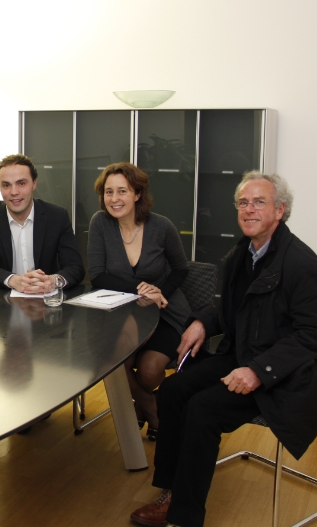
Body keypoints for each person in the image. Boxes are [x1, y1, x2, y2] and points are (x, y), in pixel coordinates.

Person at [130, 172, 317, 527]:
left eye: (259, 202)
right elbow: (231, 311)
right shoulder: (241, 256)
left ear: (280, 211)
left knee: (202, 409)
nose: (249, 209)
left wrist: (260, 370)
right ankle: (172, 489)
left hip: (282, 377)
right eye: (243, 202)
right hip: (242, 356)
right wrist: (203, 322)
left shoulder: (303, 265)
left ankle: (184, 515)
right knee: (174, 390)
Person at [88, 162, 190, 440]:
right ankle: (151, 406)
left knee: (150, 371)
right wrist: (141, 289)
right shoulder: (100, 223)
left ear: (137, 194)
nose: (114, 199)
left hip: (165, 312)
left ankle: (140, 405)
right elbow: (97, 275)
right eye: (109, 192)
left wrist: (159, 293)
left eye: (122, 191)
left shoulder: (161, 226)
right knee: (113, 363)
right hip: (121, 313)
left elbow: (181, 269)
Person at [0, 154, 84, 294]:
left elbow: (75, 267)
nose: (14, 192)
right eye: (6, 185)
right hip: (4, 301)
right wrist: (13, 280)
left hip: (47, 299)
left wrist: (54, 281)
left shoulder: (57, 216)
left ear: (34, 183)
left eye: (21, 183)